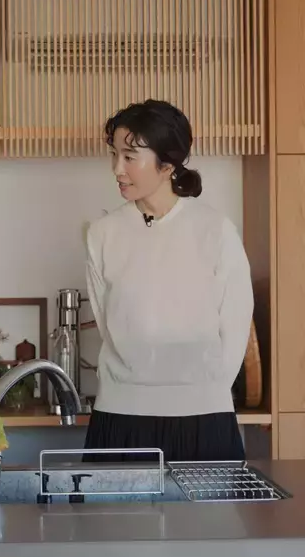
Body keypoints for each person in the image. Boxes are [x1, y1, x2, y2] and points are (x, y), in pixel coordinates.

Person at [83, 99, 254, 462]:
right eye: (114, 155)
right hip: (120, 416)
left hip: (204, 418)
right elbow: (108, 322)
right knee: (110, 504)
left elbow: (236, 325)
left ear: (168, 164)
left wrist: (200, 392)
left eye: (130, 157)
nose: (117, 169)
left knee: (209, 505)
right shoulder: (102, 233)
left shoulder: (214, 230)